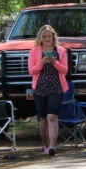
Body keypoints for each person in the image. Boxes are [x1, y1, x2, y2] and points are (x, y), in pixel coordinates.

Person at [27, 25, 69, 156]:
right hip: (40, 87)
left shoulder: (61, 51)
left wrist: (55, 62)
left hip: (56, 86)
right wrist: (42, 62)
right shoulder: (34, 51)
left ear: (53, 38)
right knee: (43, 118)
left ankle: (52, 146)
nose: (46, 39)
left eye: (49, 36)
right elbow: (31, 70)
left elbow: (65, 70)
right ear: (40, 37)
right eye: (44, 36)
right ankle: (45, 144)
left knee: (52, 116)